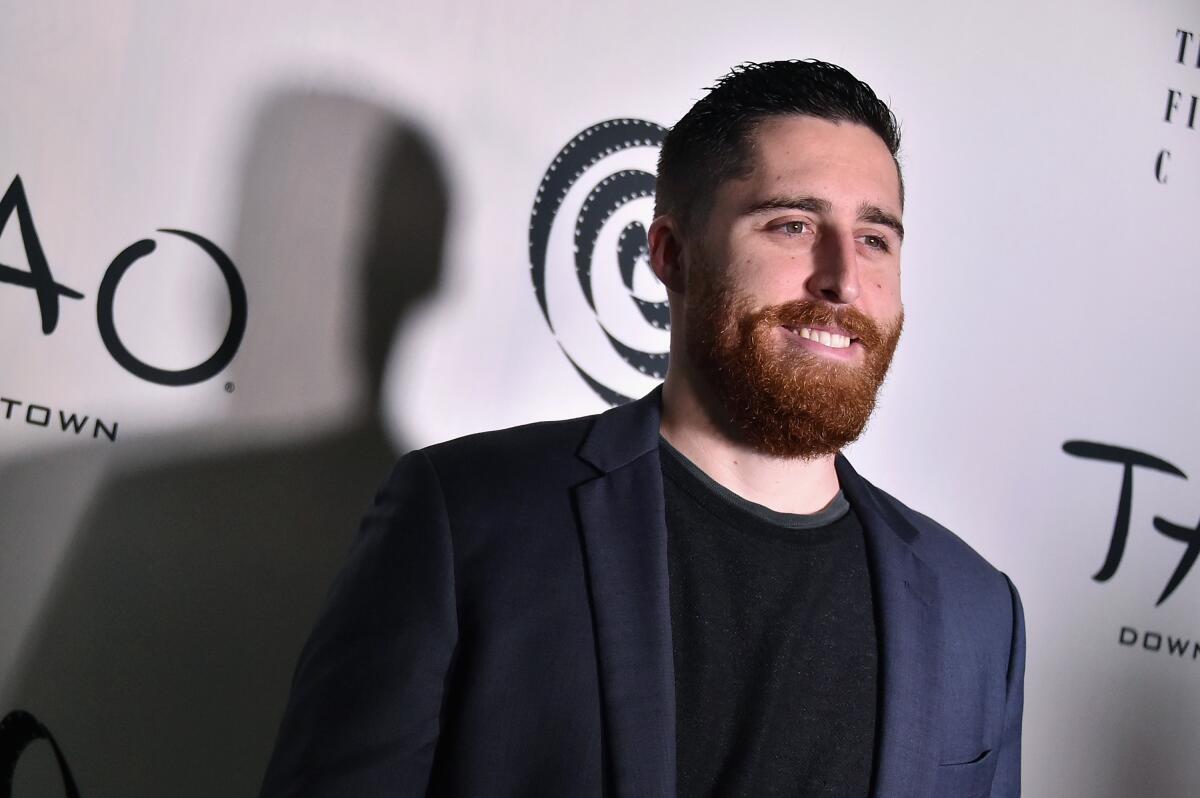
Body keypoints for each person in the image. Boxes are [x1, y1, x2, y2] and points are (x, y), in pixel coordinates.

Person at [259, 59, 1025, 798]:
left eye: (875, 238)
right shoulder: (465, 520)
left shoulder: (976, 614)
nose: (843, 278)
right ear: (670, 254)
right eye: (792, 225)